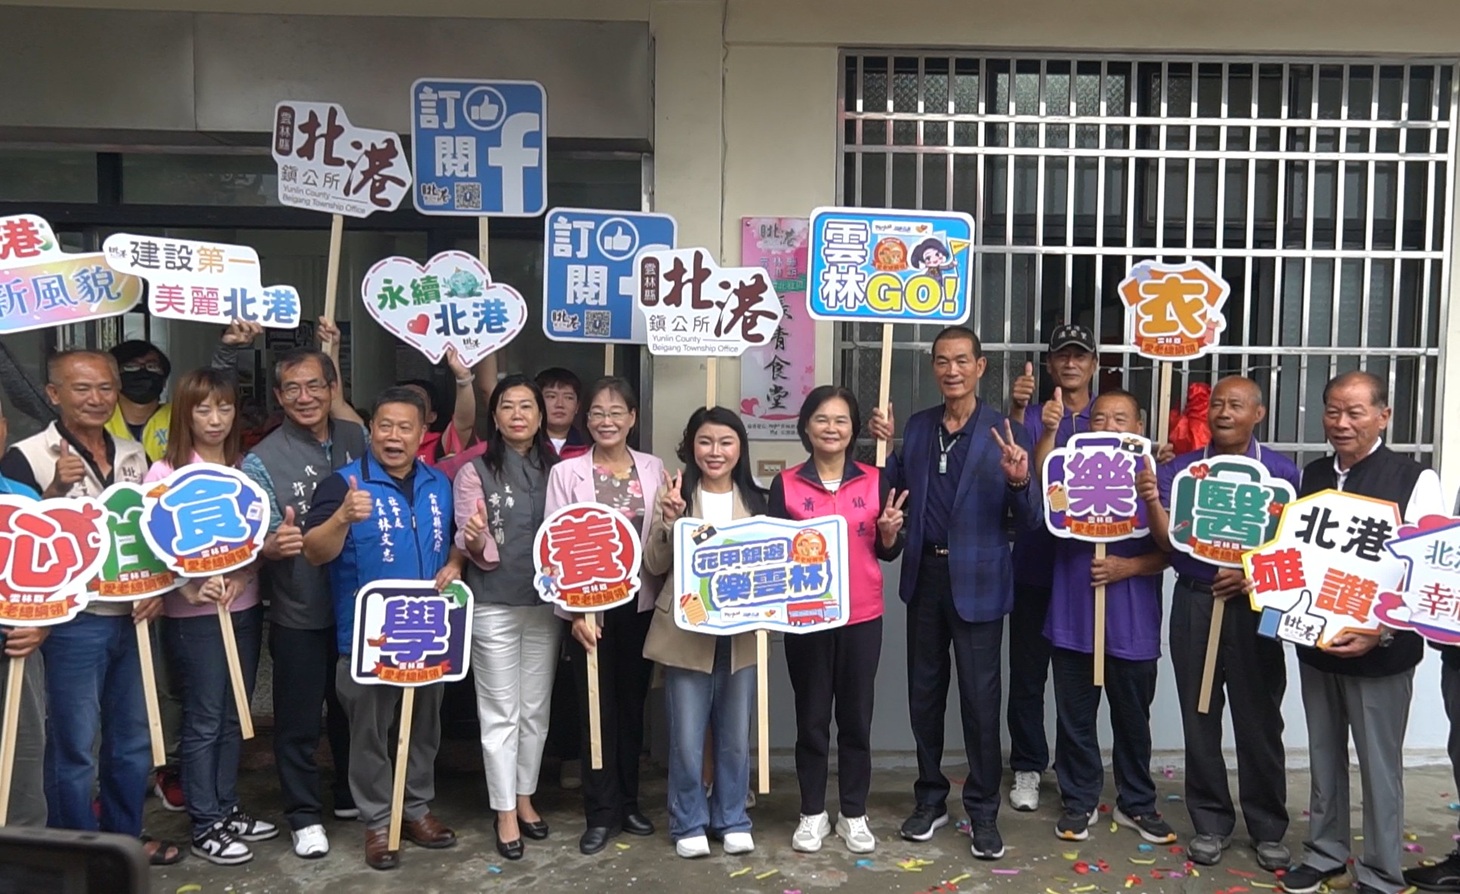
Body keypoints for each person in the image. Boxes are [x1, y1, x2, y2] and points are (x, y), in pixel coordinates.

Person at [0, 351, 178, 864]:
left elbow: (150, 531)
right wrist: (55, 488)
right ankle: (79, 850)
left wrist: (158, 587)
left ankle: (125, 838)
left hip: (133, 616)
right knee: (74, 745)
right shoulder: (25, 457)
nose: (96, 398)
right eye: (82, 389)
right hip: (72, 623)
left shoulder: (133, 453)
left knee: (133, 739)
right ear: (53, 394)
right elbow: (18, 545)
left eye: (105, 387)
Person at [868, 325, 1038, 861]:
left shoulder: (1006, 433)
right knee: (924, 696)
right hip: (925, 578)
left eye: (962, 360)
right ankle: (930, 798)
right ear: (933, 367)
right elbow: (891, 499)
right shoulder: (918, 428)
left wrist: (1019, 482)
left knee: (980, 703)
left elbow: (1030, 522)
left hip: (980, 583)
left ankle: (983, 811)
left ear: (980, 367)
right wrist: (881, 449)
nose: (952, 370)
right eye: (942, 361)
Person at [1278, 371, 1446, 894]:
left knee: (1379, 765)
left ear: (1383, 416)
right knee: (1323, 756)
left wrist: (1381, 629)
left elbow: (1428, 569)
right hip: (1318, 644)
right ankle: (1326, 852)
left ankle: (1380, 871)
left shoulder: (1415, 479)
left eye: (1355, 412)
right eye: (1333, 411)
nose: (1342, 423)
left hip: (1382, 651)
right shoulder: (1313, 474)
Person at [302, 387, 463, 871]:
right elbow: (314, 552)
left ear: (422, 433)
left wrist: (457, 561)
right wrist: (341, 518)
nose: (394, 437)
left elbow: (453, 543)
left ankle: (415, 810)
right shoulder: (343, 485)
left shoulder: (439, 483)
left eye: (405, 428)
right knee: (370, 733)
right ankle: (377, 822)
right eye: (385, 426)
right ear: (371, 430)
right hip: (368, 638)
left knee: (423, 726)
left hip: (428, 630)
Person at [1154, 377, 1298, 869]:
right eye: (1217, 403)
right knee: (1200, 715)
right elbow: (1168, 539)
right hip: (1197, 600)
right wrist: (1150, 496)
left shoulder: (1283, 473)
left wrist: (1254, 575)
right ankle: (1210, 822)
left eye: (1236, 405)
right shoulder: (1181, 471)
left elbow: (1298, 548)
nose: (1223, 412)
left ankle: (1268, 826)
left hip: (1260, 607)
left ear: (1258, 414)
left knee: (1260, 719)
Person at [144, 369, 276, 865]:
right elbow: (151, 550)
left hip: (243, 607)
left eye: (224, 407)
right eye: (203, 409)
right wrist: (189, 586)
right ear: (185, 414)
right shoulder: (165, 473)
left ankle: (226, 806)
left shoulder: (245, 468)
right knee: (203, 717)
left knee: (233, 713)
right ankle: (204, 823)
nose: (215, 419)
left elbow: (258, 540)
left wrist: (244, 575)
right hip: (193, 616)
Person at [242, 343, 366, 859]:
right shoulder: (262, 459)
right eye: (292, 388)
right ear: (278, 396)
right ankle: (303, 814)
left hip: (359, 603)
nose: (305, 396)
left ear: (333, 389)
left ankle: (350, 792)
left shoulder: (358, 438)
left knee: (353, 708)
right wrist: (272, 544)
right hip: (301, 607)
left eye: (315, 385)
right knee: (298, 717)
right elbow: (257, 534)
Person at [768, 387, 905, 855]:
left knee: (855, 718)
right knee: (810, 719)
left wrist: (890, 535)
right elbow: (773, 553)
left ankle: (853, 813)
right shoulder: (785, 485)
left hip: (862, 615)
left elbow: (888, 550)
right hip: (806, 619)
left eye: (841, 420)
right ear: (806, 427)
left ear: (854, 429)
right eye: (822, 419)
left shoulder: (876, 479)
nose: (831, 428)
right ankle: (812, 812)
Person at [1042, 389, 1173, 845]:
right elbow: (1052, 516)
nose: (1109, 426)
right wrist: (1054, 489)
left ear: (1139, 427)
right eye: (1099, 418)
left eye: (1120, 418)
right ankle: (1079, 799)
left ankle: (1136, 801)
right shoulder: (1066, 468)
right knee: (1074, 719)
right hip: (1074, 616)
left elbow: (1172, 550)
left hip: (1132, 623)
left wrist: (1127, 567)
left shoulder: (1156, 474)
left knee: (1133, 719)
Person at [545, 376, 664, 856]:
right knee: (594, 709)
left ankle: (630, 803)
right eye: (597, 412)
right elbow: (555, 543)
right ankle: (600, 812)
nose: (606, 421)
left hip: (639, 604)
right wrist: (575, 611)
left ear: (632, 418)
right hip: (588, 609)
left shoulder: (653, 468)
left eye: (616, 412)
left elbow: (660, 536)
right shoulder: (566, 473)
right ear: (586, 419)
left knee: (632, 707)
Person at [642, 406, 766, 859]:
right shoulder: (675, 495)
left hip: (740, 636)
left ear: (740, 449)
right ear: (691, 446)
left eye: (726, 442)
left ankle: (732, 817)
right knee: (686, 739)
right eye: (706, 441)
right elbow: (654, 565)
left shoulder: (758, 501)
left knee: (734, 737)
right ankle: (688, 821)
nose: (715, 451)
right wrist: (669, 521)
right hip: (685, 632)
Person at [452, 375, 560, 861]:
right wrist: (474, 536)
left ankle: (525, 796)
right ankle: (504, 811)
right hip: (493, 603)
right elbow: (468, 538)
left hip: (545, 604)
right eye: (508, 406)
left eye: (527, 406)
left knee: (535, 711)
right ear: (494, 417)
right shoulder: (474, 471)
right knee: (500, 712)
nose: (518, 415)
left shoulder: (561, 470)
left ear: (540, 416)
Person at [1004, 322, 1098, 812]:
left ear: (1094, 364)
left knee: (1077, 679)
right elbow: (1017, 475)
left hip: (1085, 571)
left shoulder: (1111, 416)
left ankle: (1073, 770)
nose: (1071, 363)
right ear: (1049, 364)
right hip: (1035, 564)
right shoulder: (1033, 414)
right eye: (1062, 355)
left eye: (1080, 355)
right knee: (1027, 673)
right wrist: (1021, 412)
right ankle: (1027, 765)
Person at [105, 320, 263, 463]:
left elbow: (219, 393)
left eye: (152, 366)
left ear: (164, 379)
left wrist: (227, 351)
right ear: (115, 377)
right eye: (131, 366)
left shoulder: (183, 414)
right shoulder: (101, 419)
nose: (143, 372)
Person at [0, 393, 48, 828]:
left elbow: (56, 584)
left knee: (22, 764)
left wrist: (42, 629)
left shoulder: (25, 499)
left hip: (16, 653)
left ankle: (23, 856)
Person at [399, 345, 479, 465]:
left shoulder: (437, 445)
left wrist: (463, 378)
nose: (407, 402)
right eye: (401, 397)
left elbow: (464, 424)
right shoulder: (380, 441)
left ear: (431, 416)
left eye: (417, 398)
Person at [538, 367, 590, 458]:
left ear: (577, 406)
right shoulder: (527, 445)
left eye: (568, 397)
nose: (560, 404)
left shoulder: (589, 449)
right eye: (551, 396)